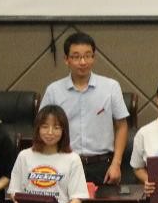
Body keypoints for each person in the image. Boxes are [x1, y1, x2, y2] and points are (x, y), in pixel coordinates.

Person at [40, 32, 130, 185]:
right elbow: (42, 128)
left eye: (88, 56)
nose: (83, 62)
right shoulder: (54, 90)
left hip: (102, 166)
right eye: (76, 57)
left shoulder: (111, 87)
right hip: (65, 164)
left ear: (94, 58)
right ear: (66, 60)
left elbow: (122, 126)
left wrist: (116, 164)